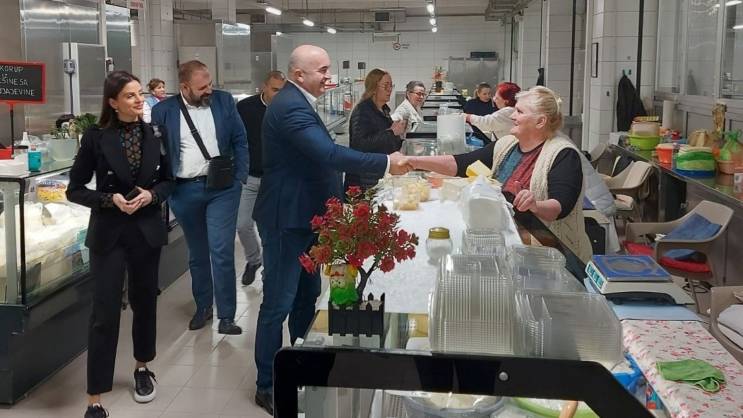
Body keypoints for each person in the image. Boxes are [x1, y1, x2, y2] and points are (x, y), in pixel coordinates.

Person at [251, 45, 411, 415]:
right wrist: (386, 162)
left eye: (328, 69)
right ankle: (267, 383)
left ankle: (302, 366)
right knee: (278, 303)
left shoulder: (300, 101)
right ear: (299, 74)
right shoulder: (290, 106)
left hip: (307, 217)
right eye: (322, 70)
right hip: (285, 220)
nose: (329, 76)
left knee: (306, 296)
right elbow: (329, 154)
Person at [67, 70, 174, 418]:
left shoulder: (156, 133)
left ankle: (143, 367)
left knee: (145, 303)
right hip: (109, 232)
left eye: (140, 93)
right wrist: (108, 199)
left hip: (146, 231)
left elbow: (169, 181)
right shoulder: (96, 138)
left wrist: (152, 195)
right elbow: (74, 189)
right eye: (130, 95)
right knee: (104, 312)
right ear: (113, 103)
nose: (139, 100)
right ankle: (95, 397)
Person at [408, 86, 592, 262]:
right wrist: (413, 161)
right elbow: (461, 163)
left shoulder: (563, 154)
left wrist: (535, 205)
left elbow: (559, 207)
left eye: (519, 112)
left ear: (540, 121)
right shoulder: (508, 144)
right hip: (508, 244)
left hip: (552, 257)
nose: (512, 116)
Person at [151, 60, 248, 335]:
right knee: (197, 253)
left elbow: (240, 139)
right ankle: (204, 306)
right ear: (184, 87)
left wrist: (240, 176)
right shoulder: (163, 111)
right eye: (202, 87)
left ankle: (227, 316)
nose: (209, 90)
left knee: (221, 250)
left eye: (210, 84)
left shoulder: (224, 101)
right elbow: (158, 152)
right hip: (184, 191)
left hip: (223, 189)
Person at [235, 70, 286, 286]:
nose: (278, 95)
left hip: (273, 180)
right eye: (274, 90)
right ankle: (254, 260)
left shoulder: (287, 110)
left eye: (282, 91)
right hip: (249, 177)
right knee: (242, 224)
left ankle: (268, 274)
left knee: (268, 230)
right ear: (264, 87)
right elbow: (235, 138)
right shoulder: (245, 108)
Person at [346, 68, 406, 190]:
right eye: (386, 85)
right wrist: (391, 132)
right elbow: (360, 145)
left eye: (391, 85)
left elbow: (387, 141)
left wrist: (402, 140)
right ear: (373, 88)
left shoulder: (384, 110)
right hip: (364, 180)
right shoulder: (363, 111)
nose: (389, 89)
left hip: (378, 174)